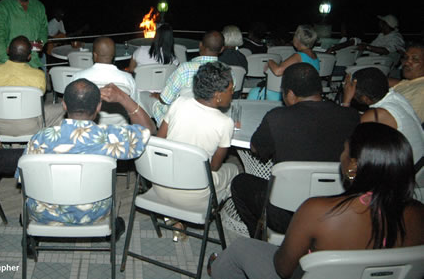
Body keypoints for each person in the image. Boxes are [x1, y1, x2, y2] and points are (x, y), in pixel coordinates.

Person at [209, 123, 424, 279]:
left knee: (239, 249)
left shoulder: (318, 211)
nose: (341, 156)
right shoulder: (419, 214)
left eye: (345, 151)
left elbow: (283, 268)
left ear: (353, 167)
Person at [232, 63, 360, 236]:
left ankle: (259, 236)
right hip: (337, 212)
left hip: (285, 216)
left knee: (240, 183)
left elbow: (257, 149)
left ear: (290, 94)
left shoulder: (277, 118)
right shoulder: (351, 116)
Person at [19, 78, 156, 225]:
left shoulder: (39, 138)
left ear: (64, 105)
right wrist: (124, 98)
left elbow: (23, 179)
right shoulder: (112, 137)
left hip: (44, 214)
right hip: (94, 214)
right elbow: (148, 130)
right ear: (98, 107)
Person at [154, 62, 239, 212]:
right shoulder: (225, 123)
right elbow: (214, 167)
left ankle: (175, 215)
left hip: (161, 184)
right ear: (218, 95)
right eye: (230, 89)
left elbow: (159, 141)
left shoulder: (179, 103)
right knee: (234, 170)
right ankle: (215, 210)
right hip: (194, 194)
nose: (232, 93)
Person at [0, 36, 65, 136]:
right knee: (62, 108)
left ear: (8, 50)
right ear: (29, 56)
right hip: (30, 127)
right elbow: (39, 99)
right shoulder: (38, 75)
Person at [342, 66, 423, 164]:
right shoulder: (396, 97)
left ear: (365, 99)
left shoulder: (377, 114)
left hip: (407, 170)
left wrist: (346, 101)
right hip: (418, 163)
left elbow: (345, 136)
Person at [150, 30, 224, 126]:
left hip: (181, 119)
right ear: (222, 49)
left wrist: (158, 96)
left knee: (150, 100)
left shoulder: (185, 69)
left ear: (200, 45)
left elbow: (165, 100)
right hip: (212, 119)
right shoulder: (228, 73)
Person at [249, 24, 319, 101]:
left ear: (298, 39)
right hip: (307, 93)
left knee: (254, 92)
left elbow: (278, 71)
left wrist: (270, 61)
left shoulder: (299, 56)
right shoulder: (314, 56)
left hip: (297, 94)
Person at [389, 43, 424, 122]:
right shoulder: (413, 82)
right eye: (406, 58)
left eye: (415, 59)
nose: (407, 62)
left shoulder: (421, 91)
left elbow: (404, 122)